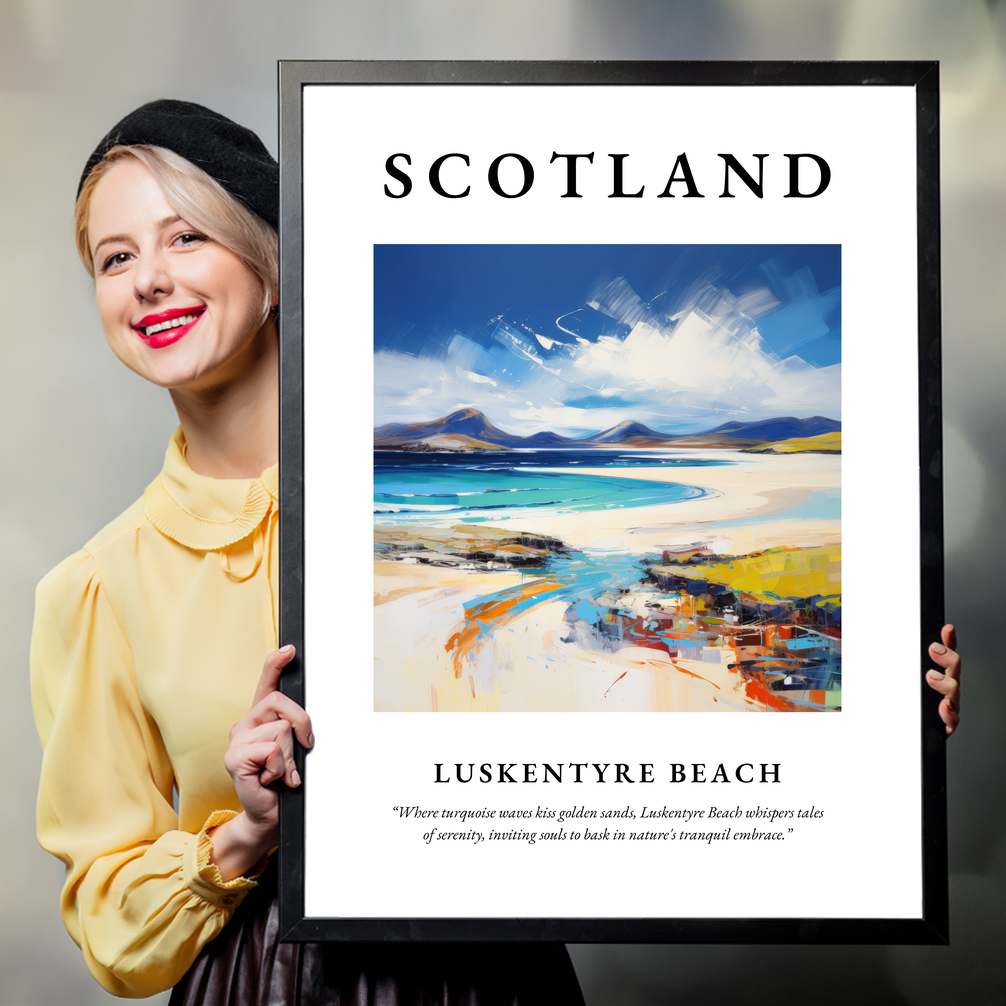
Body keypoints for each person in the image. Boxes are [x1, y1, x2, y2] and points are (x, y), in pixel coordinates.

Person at [30, 100, 585, 1004]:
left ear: (273, 264)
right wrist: (245, 832)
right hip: (263, 982)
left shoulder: (446, 509)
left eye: (186, 239)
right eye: (116, 257)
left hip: (493, 973)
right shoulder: (97, 587)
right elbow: (110, 924)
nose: (148, 281)